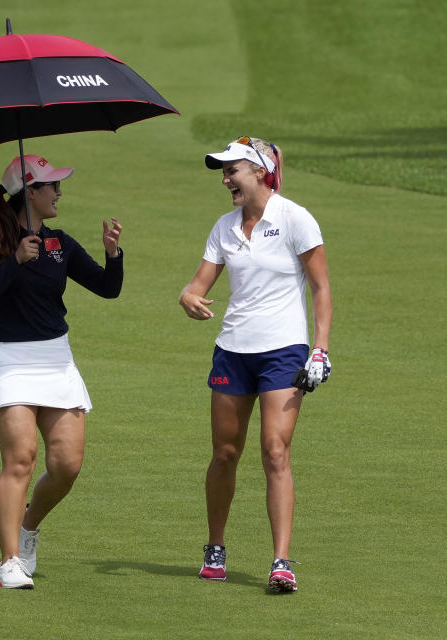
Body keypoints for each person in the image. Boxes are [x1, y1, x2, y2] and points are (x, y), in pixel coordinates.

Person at [179, 137, 333, 593]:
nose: (226, 180)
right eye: (224, 173)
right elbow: (198, 282)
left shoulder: (295, 219)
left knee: (275, 451)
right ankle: (215, 547)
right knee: (225, 453)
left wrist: (320, 350)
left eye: (233, 171)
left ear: (261, 171)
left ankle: (281, 561)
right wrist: (188, 297)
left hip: (284, 350)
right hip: (232, 350)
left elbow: (321, 288)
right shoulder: (225, 227)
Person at [0, 154, 124, 589]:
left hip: (56, 359)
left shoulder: (59, 244)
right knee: (20, 459)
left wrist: (113, 255)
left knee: (67, 465)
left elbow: (107, 288)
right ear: (30, 193)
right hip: (9, 360)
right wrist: (13, 261)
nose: (59, 193)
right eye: (52, 186)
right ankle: (8, 562)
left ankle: (28, 527)